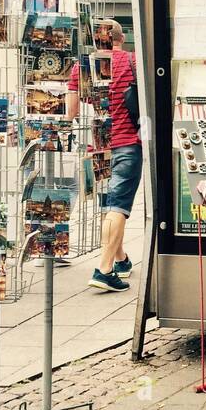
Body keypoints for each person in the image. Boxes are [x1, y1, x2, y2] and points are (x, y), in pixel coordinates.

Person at [67, 19, 141, 292]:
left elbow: (71, 111)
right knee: (118, 207)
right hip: (127, 143)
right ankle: (105, 268)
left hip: (96, 146)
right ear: (121, 38)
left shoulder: (82, 67)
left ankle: (120, 259)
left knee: (106, 204)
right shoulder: (133, 63)